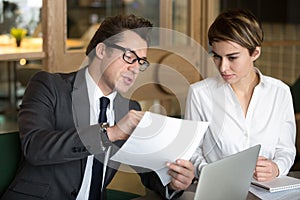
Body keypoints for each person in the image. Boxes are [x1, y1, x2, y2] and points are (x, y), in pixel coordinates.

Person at [2, 14, 194, 200]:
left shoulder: (127, 109)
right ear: (101, 51)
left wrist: (173, 183)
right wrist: (109, 134)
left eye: (141, 62)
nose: (135, 68)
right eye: (129, 56)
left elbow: (148, 171)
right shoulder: (49, 86)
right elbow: (35, 147)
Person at [185, 9, 296, 182]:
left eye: (232, 57)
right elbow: (192, 151)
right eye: (217, 57)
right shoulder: (200, 94)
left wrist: (276, 168)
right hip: (218, 190)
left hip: (266, 191)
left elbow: (286, 150)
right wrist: (210, 172)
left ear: (255, 53)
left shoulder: (280, 93)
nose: (223, 67)